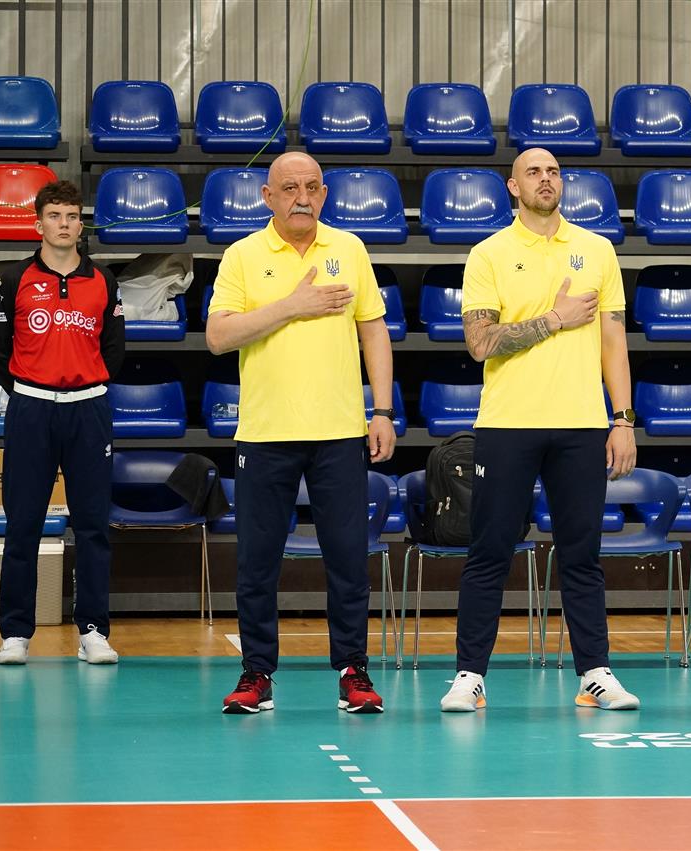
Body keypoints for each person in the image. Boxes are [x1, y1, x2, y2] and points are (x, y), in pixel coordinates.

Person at [439, 147, 639, 712]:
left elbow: (613, 341)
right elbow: (480, 343)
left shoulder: (597, 250)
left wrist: (622, 419)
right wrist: (554, 319)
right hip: (508, 424)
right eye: (533, 172)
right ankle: (469, 677)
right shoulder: (488, 254)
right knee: (489, 552)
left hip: (582, 425)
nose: (546, 180)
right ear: (513, 186)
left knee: (582, 555)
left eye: (553, 172)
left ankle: (595, 674)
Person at [207, 151, 396, 715]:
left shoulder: (350, 249)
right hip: (265, 433)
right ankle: (256, 673)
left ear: (325, 195)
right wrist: (292, 305)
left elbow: (374, 332)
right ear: (268, 197)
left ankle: (353, 671)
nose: (302, 198)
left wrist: (382, 411)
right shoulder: (242, 256)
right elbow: (218, 336)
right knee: (256, 562)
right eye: (289, 188)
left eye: (312, 187)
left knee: (348, 560)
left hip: (340, 432)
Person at [0, 179, 124, 665]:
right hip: (31, 410)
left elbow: (114, 349)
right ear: (38, 223)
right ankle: (15, 633)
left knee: (92, 526)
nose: (64, 224)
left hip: (89, 411)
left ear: (80, 224)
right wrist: (31, 391)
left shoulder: (103, 280)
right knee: (23, 523)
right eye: (55, 216)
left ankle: (93, 631)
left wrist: (86, 386)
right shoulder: (14, 279)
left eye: (71, 216)